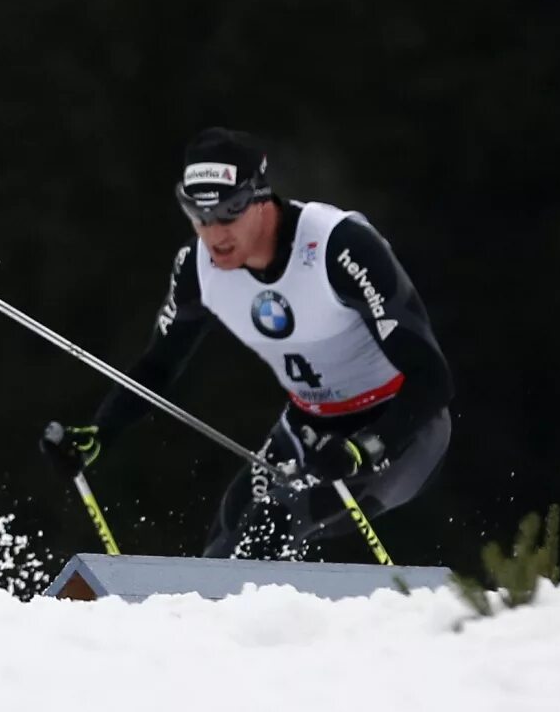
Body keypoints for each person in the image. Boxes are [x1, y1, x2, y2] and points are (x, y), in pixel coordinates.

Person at [41, 127, 453, 559]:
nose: (214, 233)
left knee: (276, 518)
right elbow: (158, 366)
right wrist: (100, 432)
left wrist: (363, 447)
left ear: (260, 198)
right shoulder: (198, 269)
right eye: (198, 217)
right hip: (307, 428)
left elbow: (432, 380)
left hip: (401, 426)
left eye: (227, 214)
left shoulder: (338, 246)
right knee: (227, 539)